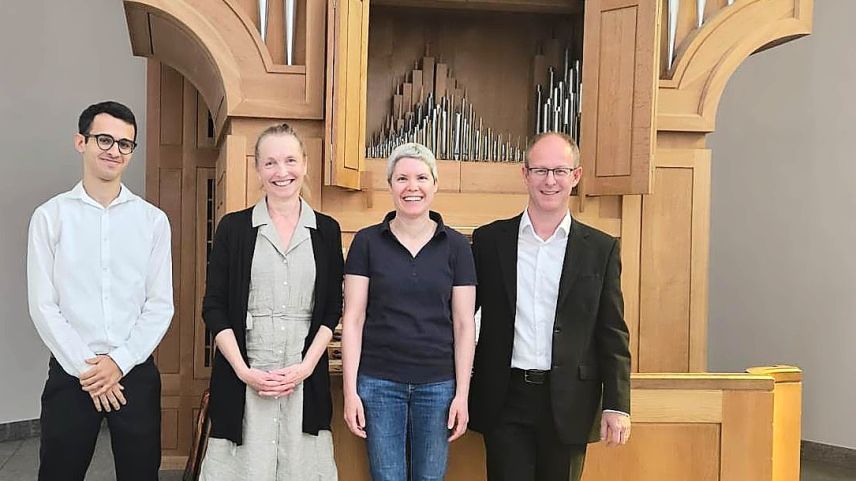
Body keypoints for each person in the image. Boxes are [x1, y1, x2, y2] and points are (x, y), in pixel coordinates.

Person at [468, 132, 632, 481]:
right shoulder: (489, 240)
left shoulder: (600, 249)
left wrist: (617, 403)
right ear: (524, 174)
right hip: (505, 397)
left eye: (560, 170)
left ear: (576, 175)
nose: (550, 180)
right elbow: (461, 316)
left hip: (571, 401)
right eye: (540, 170)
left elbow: (612, 332)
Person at [27, 101, 173, 481]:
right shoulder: (50, 217)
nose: (114, 150)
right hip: (71, 373)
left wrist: (119, 363)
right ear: (81, 142)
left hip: (134, 372)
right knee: (59, 473)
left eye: (125, 144)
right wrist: (88, 369)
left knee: (141, 474)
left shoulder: (153, 221)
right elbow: (43, 305)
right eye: (104, 139)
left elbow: (160, 305)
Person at [199, 123, 342, 480]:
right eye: (271, 162)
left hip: (303, 378)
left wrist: (307, 367)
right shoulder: (233, 228)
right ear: (257, 168)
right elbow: (214, 307)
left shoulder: (327, 230)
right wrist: (243, 370)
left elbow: (330, 310)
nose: (282, 172)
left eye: (291, 160)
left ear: (305, 164)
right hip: (245, 378)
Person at [341, 142, 476, 481]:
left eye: (421, 177)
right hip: (379, 382)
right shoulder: (366, 242)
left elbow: (463, 325)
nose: (411, 187)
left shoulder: (457, 246)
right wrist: (350, 392)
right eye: (401, 178)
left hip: (438, 385)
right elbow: (353, 320)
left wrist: (462, 394)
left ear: (435, 184)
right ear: (390, 186)